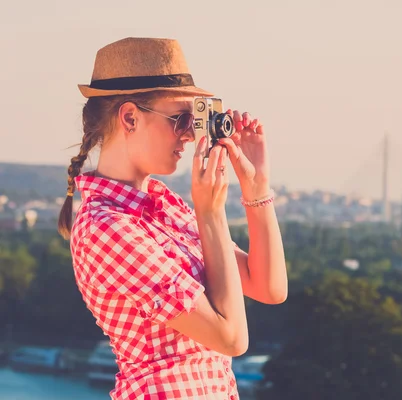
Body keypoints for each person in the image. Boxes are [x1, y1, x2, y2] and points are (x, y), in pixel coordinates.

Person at [57, 37, 287, 400]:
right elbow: (232, 339)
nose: (189, 135)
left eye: (195, 119)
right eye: (180, 119)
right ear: (130, 117)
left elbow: (269, 287)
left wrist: (257, 189)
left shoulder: (167, 209)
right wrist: (210, 214)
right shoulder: (105, 229)